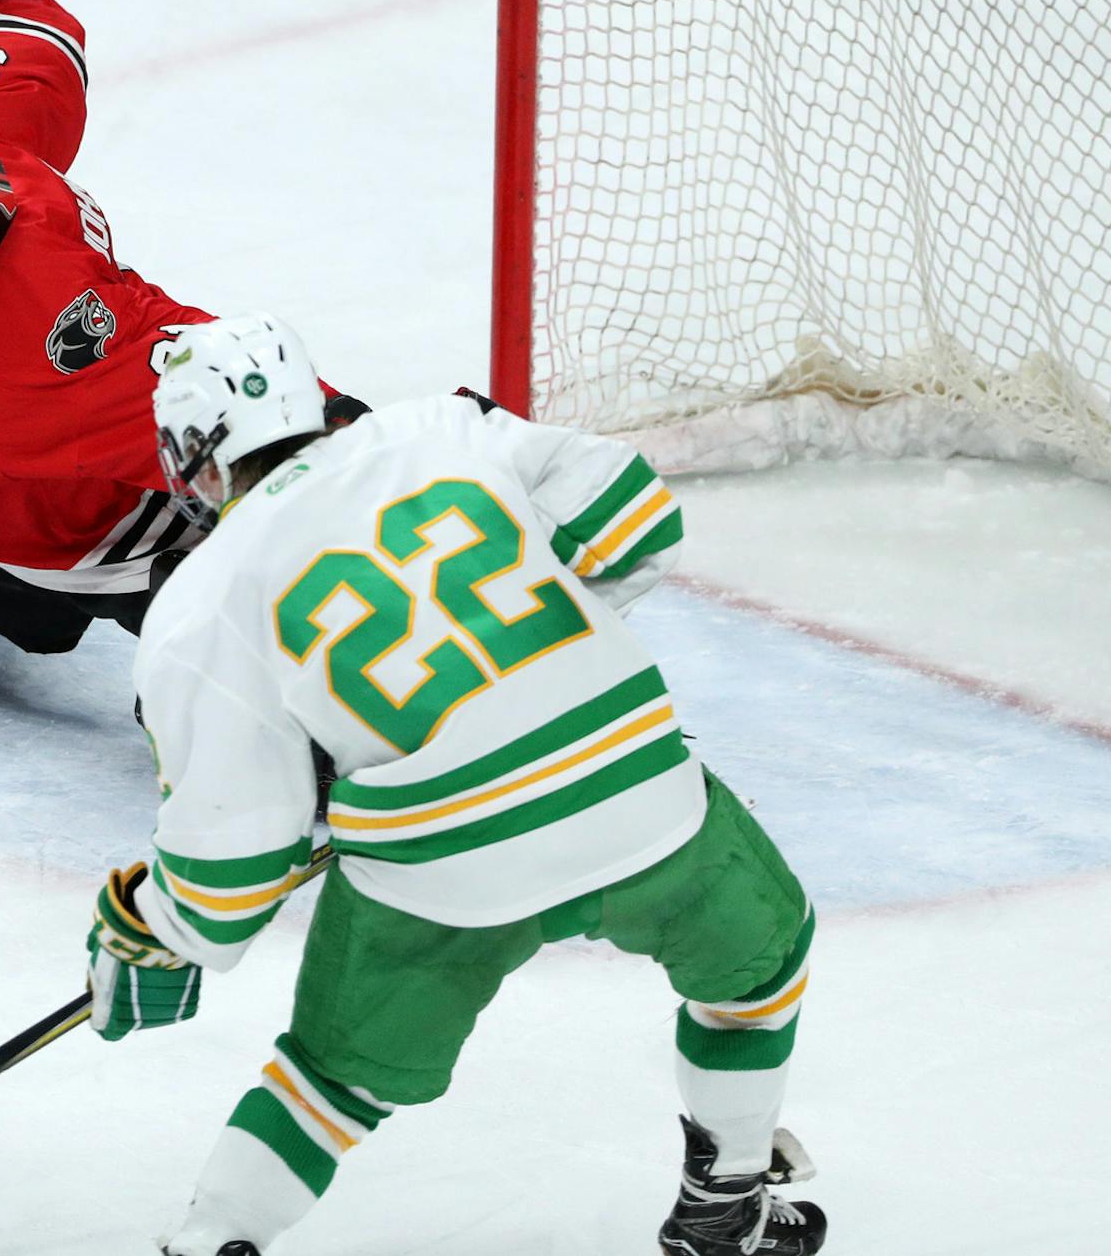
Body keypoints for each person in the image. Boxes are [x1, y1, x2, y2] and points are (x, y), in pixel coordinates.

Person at [83, 314, 826, 1256]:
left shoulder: (197, 603)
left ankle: (211, 1240)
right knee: (758, 972)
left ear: (193, 463)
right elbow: (638, 518)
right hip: (636, 799)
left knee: (329, 1083)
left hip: (439, 876)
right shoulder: (437, 427)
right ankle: (725, 1202)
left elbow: (233, 861)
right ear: (311, 401)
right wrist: (524, 668)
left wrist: (157, 932)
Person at [0, 0, 360, 645]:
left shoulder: (54, 342)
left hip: (111, 547)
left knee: (252, 673)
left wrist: (366, 439)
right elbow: (29, 34)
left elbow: (214, 376)